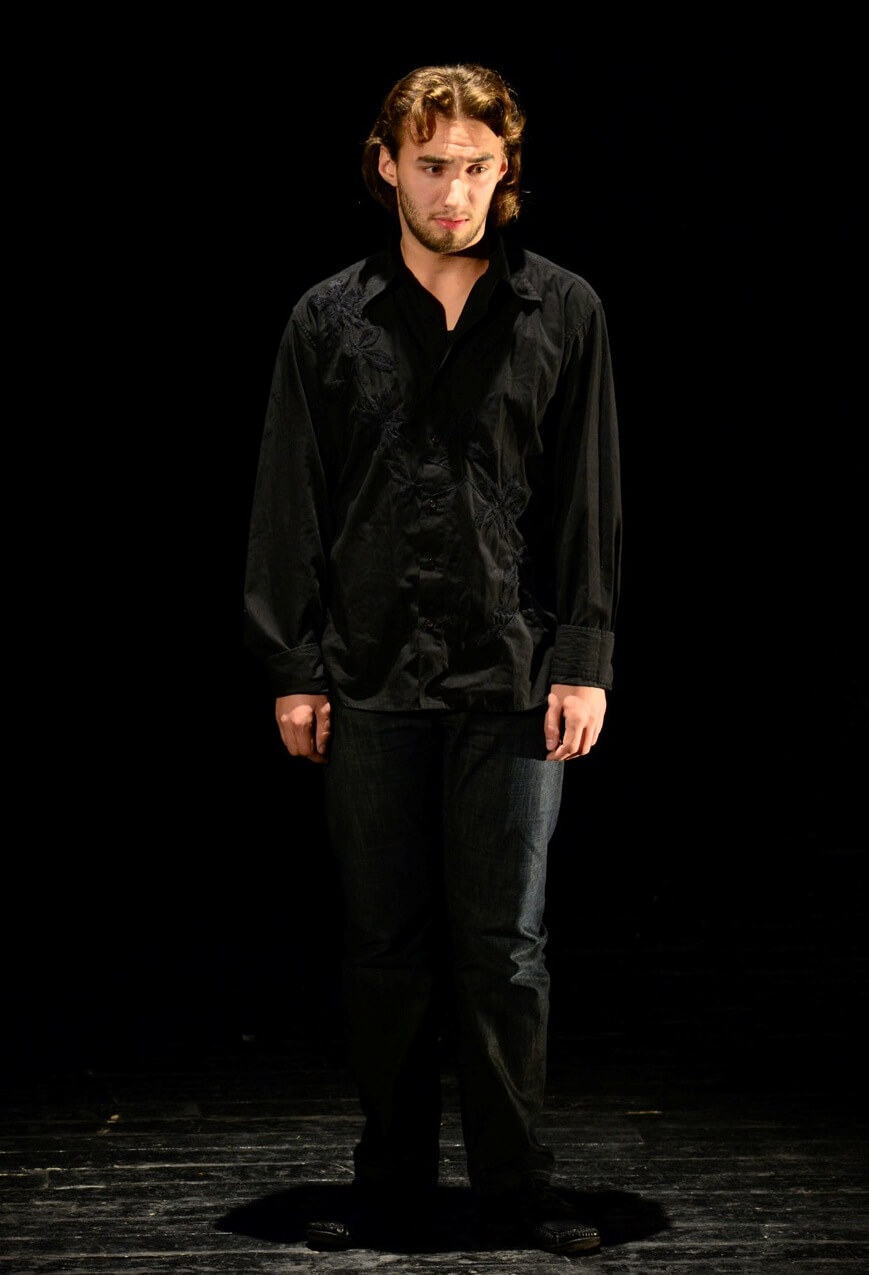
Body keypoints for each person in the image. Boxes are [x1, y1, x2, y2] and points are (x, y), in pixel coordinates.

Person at [243, 62, 622, 1256]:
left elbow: (587, 497)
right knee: (383, 949)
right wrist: (292, 666)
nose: (452, 191)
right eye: (430, 165)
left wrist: (583, 657)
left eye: (474, 167)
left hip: (512, 672)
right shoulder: (326, 319)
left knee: (505, 949)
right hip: (366, 673)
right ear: (385, 166)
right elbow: (288, 501)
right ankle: (392, 1185)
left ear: (504, 171)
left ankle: (515, 1190)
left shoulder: (561, 310)